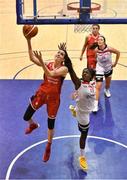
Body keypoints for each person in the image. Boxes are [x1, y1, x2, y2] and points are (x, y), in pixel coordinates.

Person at [23, 38, 68, 162]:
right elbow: (32, 58)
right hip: (42, 94)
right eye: (58, 53)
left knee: (50, 124)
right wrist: (28, 40)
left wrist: (42, 61)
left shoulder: (64, 69)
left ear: (63, 59)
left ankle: (48, 146)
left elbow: (51, 74)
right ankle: (33, 124)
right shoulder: (48, 63)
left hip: (54, 99)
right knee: (26, 117)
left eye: (61, 54)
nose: (59, 54)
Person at [62, 44, 95, 171]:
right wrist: (66, 55)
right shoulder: (79, 83)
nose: (84, 72)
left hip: (82, 107)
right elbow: (70, 69)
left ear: (91, 76)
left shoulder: (91, 83)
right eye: (83, 71)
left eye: (87, 72)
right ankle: (82, 156)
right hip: (84, 115)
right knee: (83, 134)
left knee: (81, 125)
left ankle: (74, 110)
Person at [93, 35, 120, 112]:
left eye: (101, 39)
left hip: (108, 67)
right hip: (100, 68)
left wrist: (115, 63)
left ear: (104, 41)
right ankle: (95, 105)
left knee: (107, 84)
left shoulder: (109, 48)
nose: (99, 41)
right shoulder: (96, 50)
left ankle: (107, 90)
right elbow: (95, 58)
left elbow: (118, 53)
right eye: (98, 40)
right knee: (98, 86)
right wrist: (97, 67)